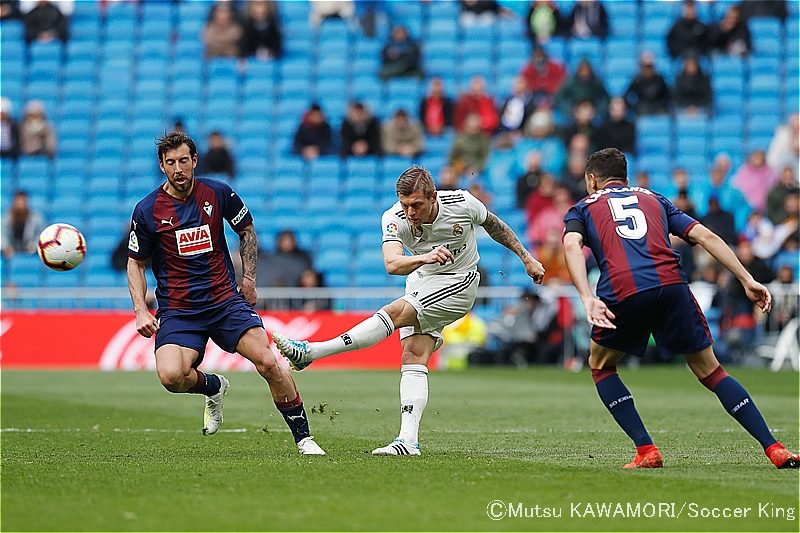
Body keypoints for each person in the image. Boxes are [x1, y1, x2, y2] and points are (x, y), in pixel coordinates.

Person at [272, 165, 545, 456]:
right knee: (413, 355)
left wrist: (527, 259)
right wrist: (427, 257)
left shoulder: (462, 203)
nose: (411, 212)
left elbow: (496, 226)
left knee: (395, 311)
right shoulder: (394, 217)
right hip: (422, 276)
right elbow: (391, 264)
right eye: (405, 205)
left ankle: (312, 352)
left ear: (433, 197)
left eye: (416, 205)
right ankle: (408, 441)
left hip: (460, 280)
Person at [562, 147, 799, 469]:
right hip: (672, 287)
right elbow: (705, 235)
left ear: (592, 180)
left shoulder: (582, 208)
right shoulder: (655, 198)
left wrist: (587, 296)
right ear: (626, 178)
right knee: (712, 371)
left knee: (601, 365)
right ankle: (774, 448)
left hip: (624, 289)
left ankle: (646, 449)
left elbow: (571, 244)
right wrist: (747, 278)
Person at [125, 131, 325, 455]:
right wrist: (140, 310)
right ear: (162, 166)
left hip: (223, 301)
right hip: (179, 310)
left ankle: (304, 438)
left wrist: (249, 281)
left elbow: (246, 230)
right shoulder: (147, 210)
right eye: (171, 162)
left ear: (195, 161)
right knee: (171, 376)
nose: (178, 169)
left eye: (184, 161)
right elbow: (135, 263)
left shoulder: (218, 193)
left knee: (269, 363)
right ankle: (214, 386)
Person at [1, 190, 44, 259]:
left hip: (30, 253)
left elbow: (42, 235)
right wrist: (6, 247)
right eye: (18, 203)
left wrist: (33, 246)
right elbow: (1, 235)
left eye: (23, 202)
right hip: (11, 253)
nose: (20, 206)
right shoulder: (5, 219)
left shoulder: (37, 219)